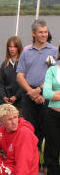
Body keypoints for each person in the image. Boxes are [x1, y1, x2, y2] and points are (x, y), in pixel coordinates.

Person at [16, 19, 57, 172]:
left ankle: (47, 164)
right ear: (34, 33)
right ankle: (32, 164)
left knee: (48, 131)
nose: (44, 35)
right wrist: (30, 92)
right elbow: (20, 75)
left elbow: (54, 76)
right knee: (29, 131)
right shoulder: (26, 52)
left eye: (45, 32)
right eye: (40, 32)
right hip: (29, 96)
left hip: (46, 95)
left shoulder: (53, 51)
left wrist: (39, 90)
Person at [0, 104, 39, 175]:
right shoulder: (3, 130)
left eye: (15, 117)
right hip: (10, 165)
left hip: (24, 171)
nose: (14, 122)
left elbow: (24, 162)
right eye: (9, 119)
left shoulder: (24, 132)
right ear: (2, 122)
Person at [43, 46, 60, 175]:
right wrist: (53, 94)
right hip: (53, 116)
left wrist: (56, 93)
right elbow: (47, 93)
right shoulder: (52, 70)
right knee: (52, 151)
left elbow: (51, 92)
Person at [0, 36, 23, 109]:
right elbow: (1, 84)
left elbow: (25, 83)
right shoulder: (4, 64)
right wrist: (4, 96)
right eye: (10, 47)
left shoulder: (23, 64)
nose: (12, 49)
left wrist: (16, 96)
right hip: (6, 102)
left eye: (14, 47)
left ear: (19, 48)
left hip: (20, 102)